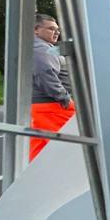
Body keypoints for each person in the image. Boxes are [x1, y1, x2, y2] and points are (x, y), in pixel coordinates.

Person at [31, 13, 75, 160]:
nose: (56, 32)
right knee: (68, 147)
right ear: (36, 30)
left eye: (58, 30)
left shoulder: (46, 47)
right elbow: (45, 74)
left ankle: (34, 176)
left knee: (42, 148)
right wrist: (65, 99)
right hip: (53, 107)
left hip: (45, 107)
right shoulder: (40, 48)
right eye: (51, 29)